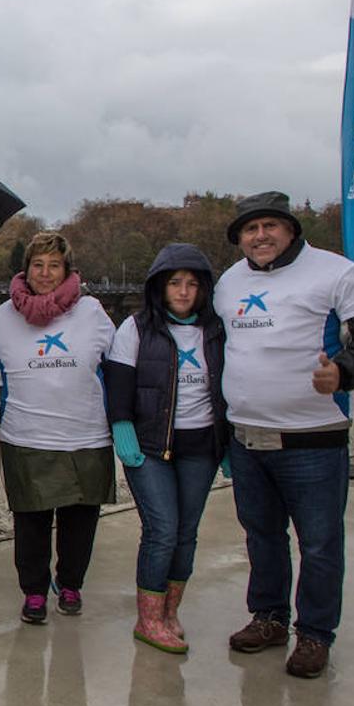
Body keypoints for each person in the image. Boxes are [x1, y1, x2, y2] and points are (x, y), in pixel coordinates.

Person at [215, 191, 354, 678]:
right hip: (248, 438)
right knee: (262, 536)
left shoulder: (338, 273)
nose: (260, 236)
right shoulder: (229, 283)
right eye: (250, 230)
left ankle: (315, 634)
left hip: (314, 440)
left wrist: (344, 371)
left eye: (270, 226)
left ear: (291, 230)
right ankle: (269, 617)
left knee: (319, 543)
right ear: (239, 239)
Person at [0, 232, 115, 624]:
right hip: (27, 435)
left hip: (85, 434)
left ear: (67, 270)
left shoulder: (92, 312)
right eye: (37, 265)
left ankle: (71, 584)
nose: (44, 273)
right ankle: (35, 592)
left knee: (80, 520)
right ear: (26, 269)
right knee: (31, 522)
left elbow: (122, 365)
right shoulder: (2, 317)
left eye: (53, 265)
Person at [105, 243, 229, 654]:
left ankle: (170, 611)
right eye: (175, 283)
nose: (183, 292)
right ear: (159, 287)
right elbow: (119, 384)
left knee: (187, 534)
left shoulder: (216, 331)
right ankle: (148, 618)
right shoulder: (136, 329)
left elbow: (229, 387)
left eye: (192, 284)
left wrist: (225, 442)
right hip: (152, 448)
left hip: (201, 448)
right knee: (162, 531)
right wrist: (124, 432)